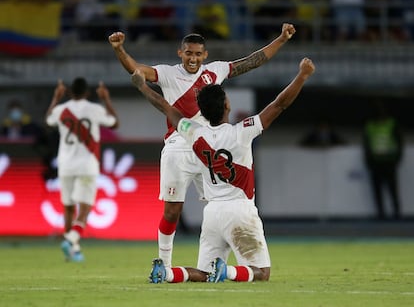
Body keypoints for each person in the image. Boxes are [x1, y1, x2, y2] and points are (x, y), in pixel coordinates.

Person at [108, 23, 296, 269]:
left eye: (198, 54)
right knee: (172, 211)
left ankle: (215, 265)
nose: (193, 58)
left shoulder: (216, 70)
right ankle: (163, 264)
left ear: (204, 55)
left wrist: (281, 39)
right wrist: (120, 50)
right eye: (188, 53)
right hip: (178, 146)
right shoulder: (167, 73)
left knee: (218, 206)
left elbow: (253, 61)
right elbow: (137, 70)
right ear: (180, 53)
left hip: (207, 148)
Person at [131, 57, 315, 283]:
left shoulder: (194, 133)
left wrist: (141, 86)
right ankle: (227, 271)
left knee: (206, 273)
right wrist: (302, 76)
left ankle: (167, 272)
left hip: (212, 214)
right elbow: (279, 104)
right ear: (227, 105)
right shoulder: (242, 132)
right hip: (240, 211)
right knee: (262, 273)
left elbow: (167, 108)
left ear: (202, 110)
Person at [45, 77, 119, 262]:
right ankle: (71, 240)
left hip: (66, 164)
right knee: (85, 208)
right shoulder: (95, 109)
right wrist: (106, 98)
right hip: (87, 164)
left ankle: (73, 250)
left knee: (68, 208)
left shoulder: (62, 110)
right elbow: (114, 123)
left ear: (69, 92)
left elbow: (48, 121)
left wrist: (56, 97)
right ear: (87, 92)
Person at [362, 100, 403, 220]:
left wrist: (397, 158)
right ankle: (381, 214)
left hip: (389, 161)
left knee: (393, 189)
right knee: (377, 190)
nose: (380, 113)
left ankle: (396, 213)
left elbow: (399, 141)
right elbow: (366, 144)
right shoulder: (369, 125)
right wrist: (368, 161)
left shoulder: (391, 123)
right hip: (375, 162)